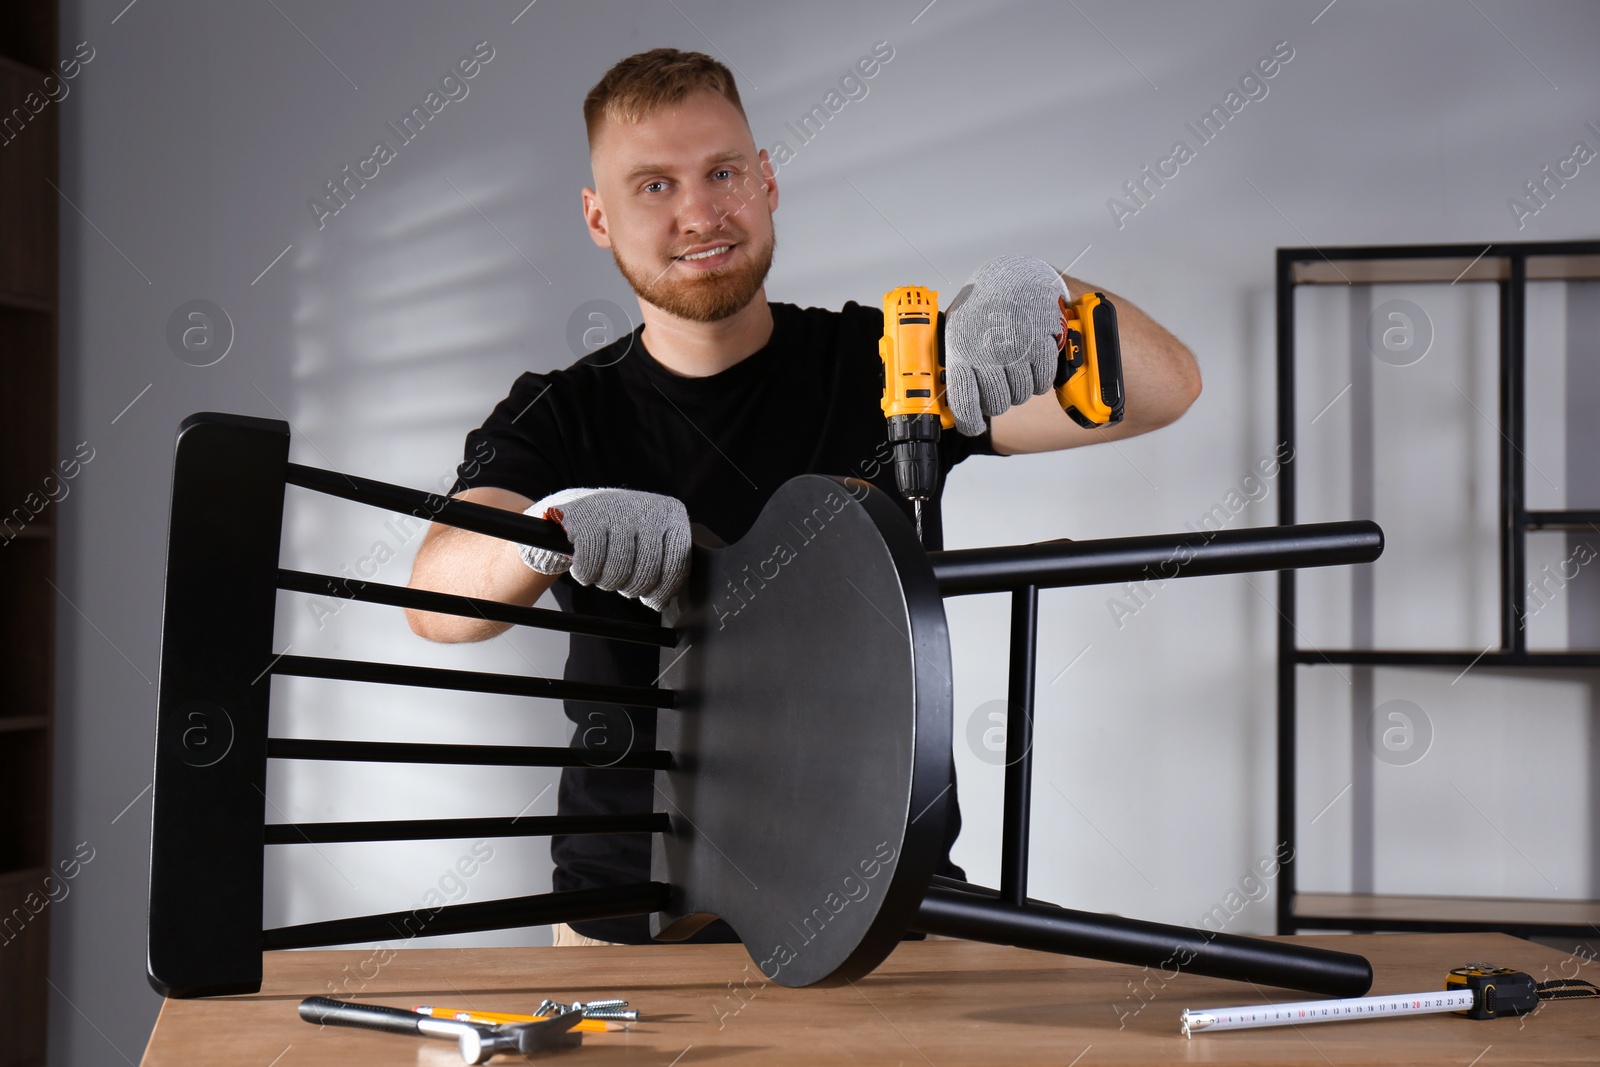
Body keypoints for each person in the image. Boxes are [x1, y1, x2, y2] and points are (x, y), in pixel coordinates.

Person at [406, 48, 1201, 947]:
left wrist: (1056, 298)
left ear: (767, 180)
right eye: (654, 186)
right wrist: (550, 530)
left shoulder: (885, 365)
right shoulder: (559, 412)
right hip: (630, 905)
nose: (700, 211)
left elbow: (1168, 386)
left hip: (887, 898)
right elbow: (436, 599)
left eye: (722, 172)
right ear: (598, 216)